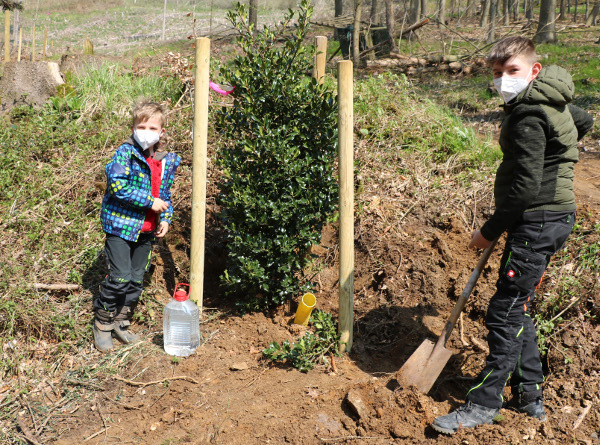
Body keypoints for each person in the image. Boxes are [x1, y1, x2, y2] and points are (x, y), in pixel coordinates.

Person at [431, 36, 594, 434]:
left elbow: (523, 188)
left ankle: (483, 405)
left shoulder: (526, 115)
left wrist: (488, 232)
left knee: (503, 312)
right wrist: (559, 161)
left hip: (536, 221)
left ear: (533, 70)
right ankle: (529, 396)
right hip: (552, 218)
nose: (503, 80)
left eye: (512, 71)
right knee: (516, 305)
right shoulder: (549, 100)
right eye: (497, 73)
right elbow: (584, 120)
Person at [93, 101, 181, 352]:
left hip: (146, 230)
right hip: (120, 228)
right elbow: (118, 186)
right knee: (119, 277)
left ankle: (121, 321)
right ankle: (102, 323)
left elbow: (165, 196)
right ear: (133, 127)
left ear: (162, 132)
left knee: (135, 279)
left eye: (152, 127)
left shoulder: (166, 161)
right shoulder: (125, 153)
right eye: (141, 126)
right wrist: (149, 201)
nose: (146, 130)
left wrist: (166, 218)